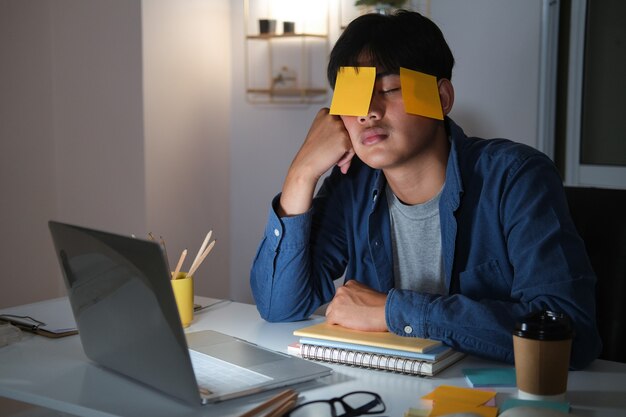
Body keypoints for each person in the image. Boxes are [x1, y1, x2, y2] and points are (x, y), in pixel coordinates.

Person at [250, 10, 601, 369]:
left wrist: (393, 312)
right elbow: (280, 306)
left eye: (388, 88)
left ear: (442, 97)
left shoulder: (516, 177)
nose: (368, 111)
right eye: (353, 97)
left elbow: (570, 333)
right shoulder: (352, 185)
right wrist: (302, 172)